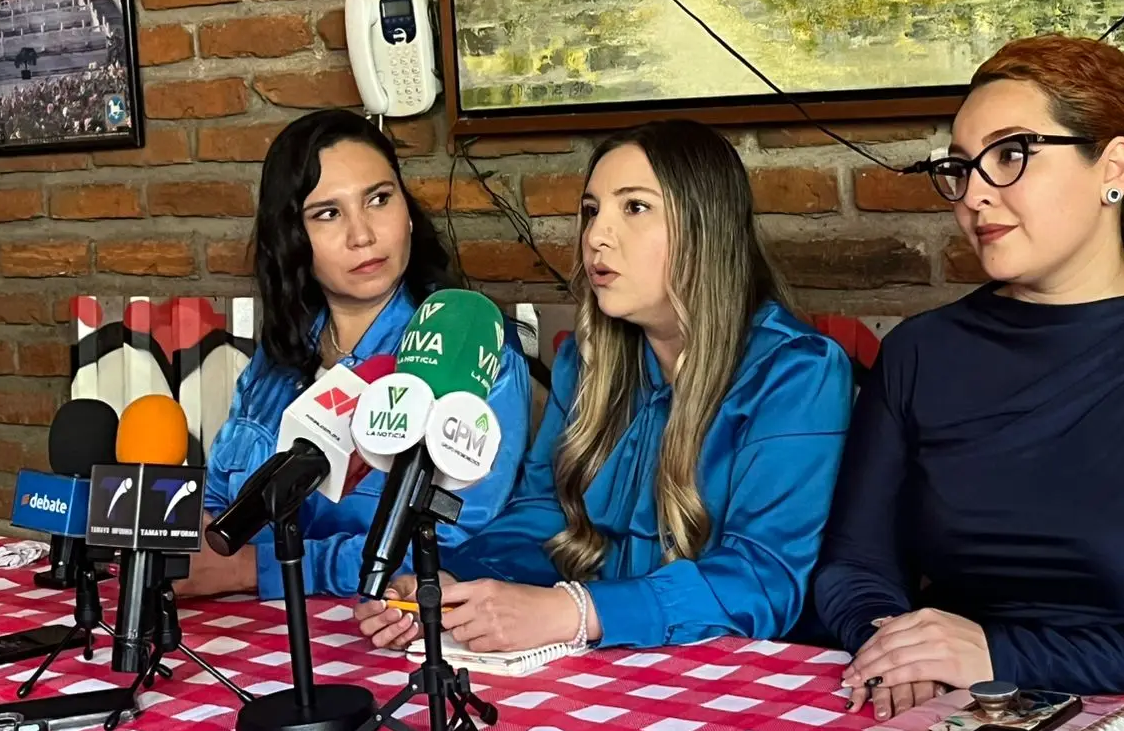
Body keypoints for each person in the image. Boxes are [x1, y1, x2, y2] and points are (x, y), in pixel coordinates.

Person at [814, 34, 1124, 718]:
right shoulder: (919, 353)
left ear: (1112, 167)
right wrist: (896, 647)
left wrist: (998, 655)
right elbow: (854, 565)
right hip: (961, 718)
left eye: (1011, 155)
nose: (974, 195)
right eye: (961, 167)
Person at [354, 120, 853, 654]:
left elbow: (763, 580)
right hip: (602, 671)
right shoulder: (586, 360)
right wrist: (455, 584)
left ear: (706, 227)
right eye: (591, 211)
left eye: (634, 207)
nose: (595, 236)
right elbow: (542, 515)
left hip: (737, 678)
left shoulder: (797, 372)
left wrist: (575, 611)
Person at [184, 110, 531, 600]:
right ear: (292, 238)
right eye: (328, 213)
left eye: (379, 199)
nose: (362, 235)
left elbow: (453, 544)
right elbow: (219, 498)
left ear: (407, 211)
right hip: (242, 627)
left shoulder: (472, 351)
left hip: (384, 631)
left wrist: (255, 570)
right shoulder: (279, 355)